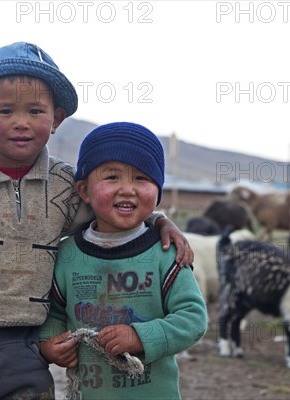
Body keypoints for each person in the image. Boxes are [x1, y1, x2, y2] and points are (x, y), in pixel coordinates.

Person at [0, 42, 193, 399]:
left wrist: (158, 221)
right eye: (6, 110)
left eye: (36, 111)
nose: (22, 123)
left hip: (24, 345)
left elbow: (111, 206)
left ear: (56, 119)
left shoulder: (63, 185)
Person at [39, 122, 208, 399]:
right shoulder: (68, 255)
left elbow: (193, 318)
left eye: (141, 178)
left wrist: (141, 337)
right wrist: (50, 342)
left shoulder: (166, 252)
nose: (127, 189)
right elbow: (55, 312)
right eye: (112, 177)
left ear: (158, 189)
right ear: (83, 190)